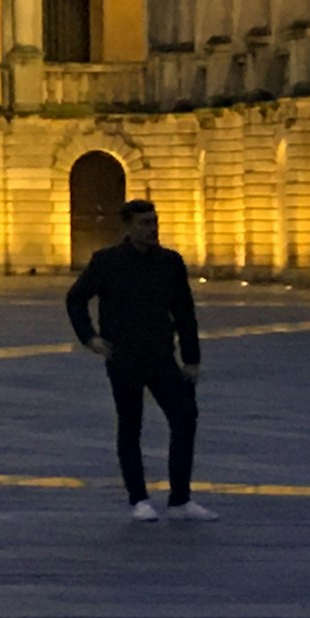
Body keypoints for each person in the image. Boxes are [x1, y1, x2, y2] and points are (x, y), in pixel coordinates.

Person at [67, 196, 214, 523]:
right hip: (124, 356)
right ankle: (139, 498)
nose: (152, 229)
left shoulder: (170, 262)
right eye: (144, 224)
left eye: (154, 222)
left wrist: (191, 358)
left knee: (184, 418)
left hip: (161, 354)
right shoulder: (106, 262)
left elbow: (184, 312)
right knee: (130, 425)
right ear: (129, 227)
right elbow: (76, 298)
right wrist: (89, 337)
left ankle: (180, 499)